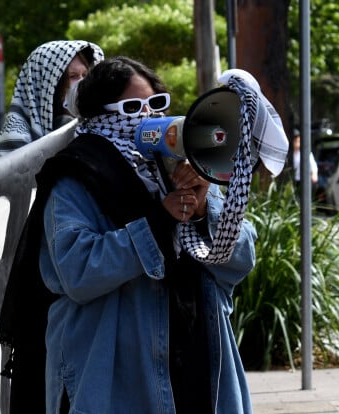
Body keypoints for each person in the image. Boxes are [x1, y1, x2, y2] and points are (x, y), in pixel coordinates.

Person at [30, 56, 264, 414]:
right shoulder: (74, 177)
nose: (147, 116)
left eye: (156, 104)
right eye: (131, 107)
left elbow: (241, 259)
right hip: (114, 375)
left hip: (195, 364)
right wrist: (159, 220)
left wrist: (204, 211)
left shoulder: (180, 165)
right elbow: (76, 270)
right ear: (97, 114)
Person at [0, 40, 104, 157]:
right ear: (48, 85)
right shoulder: (17, 135)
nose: (82, 83)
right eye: (73, 76)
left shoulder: (97, 125)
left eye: (85, 75)